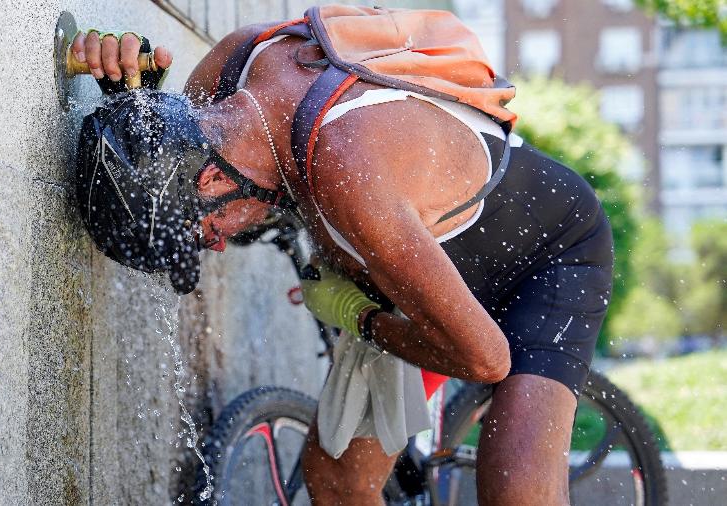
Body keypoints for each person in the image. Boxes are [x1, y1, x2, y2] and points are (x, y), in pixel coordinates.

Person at [72, 7, 613, 505]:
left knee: (515, 489)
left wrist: (355, 314)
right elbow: (172, 139)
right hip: (409, 272)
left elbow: (484, 359)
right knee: (338, 483)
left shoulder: (348, 173)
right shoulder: (230, 72)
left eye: (204, 231)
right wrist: (131, 100)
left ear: (213, 179)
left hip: (547, 253)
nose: (215, 245)